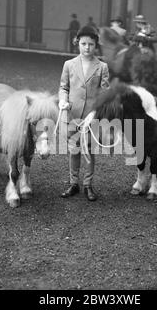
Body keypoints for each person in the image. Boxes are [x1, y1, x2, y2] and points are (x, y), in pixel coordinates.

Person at [58, 25, 110, 201]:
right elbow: (63, 87)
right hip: (72, 115)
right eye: (83, 44)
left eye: (91, 44)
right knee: (74, 150)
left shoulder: (102, 67)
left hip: (91, 117)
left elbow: (104, 95)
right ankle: (74, 183)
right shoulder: (69, 65)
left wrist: (94, 113)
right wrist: (62, 100)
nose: (87, 48)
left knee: (88, 151)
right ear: (77, 43)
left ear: (96, 46)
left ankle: (88, 185)